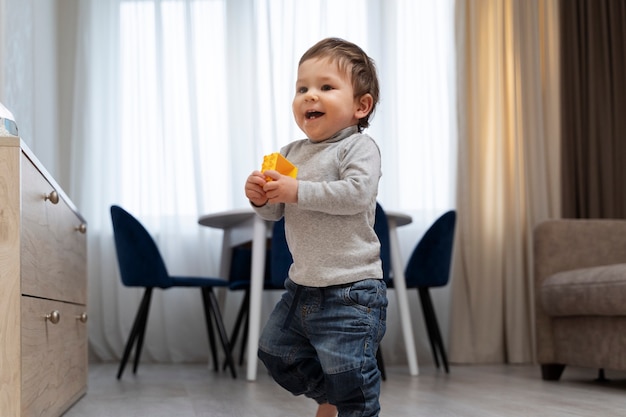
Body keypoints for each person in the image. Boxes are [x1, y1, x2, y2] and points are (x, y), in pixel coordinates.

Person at [244, 37, 386, 417]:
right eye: (302, 88)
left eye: (325, 87)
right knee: (275, 353)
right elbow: (274, 213)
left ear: (361, 105)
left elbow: (356, 194)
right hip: (302, 286)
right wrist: (261, 197)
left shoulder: (358, 147)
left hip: (352, 288)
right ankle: (332, 400)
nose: (310, 96)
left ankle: (348, 404)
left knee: (351, 376)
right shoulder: (288, 153)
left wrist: (296, 190)